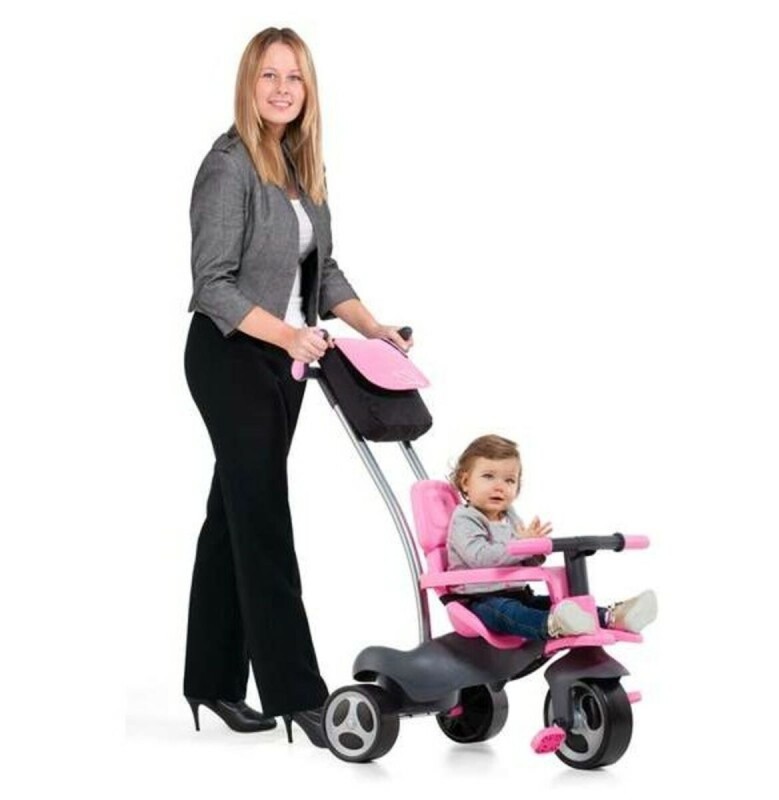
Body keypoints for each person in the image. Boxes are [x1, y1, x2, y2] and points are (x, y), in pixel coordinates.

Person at [183, 27, 412, 746]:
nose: (283, 89)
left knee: (234, 516)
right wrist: (288, 336)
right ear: (248, 85)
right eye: (269, 76)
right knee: (264, 521)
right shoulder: (228, 168)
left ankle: (211, 681)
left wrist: (374, 328)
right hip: (231, 358)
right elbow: (211, 286)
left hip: (289, 363)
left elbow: (325, 271)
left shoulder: (299, 165)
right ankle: (300, 695)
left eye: (295, 78)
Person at [446, 435, 657, 641]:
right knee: (508, 612)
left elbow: (519, 561)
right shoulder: (465, 518)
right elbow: (479, 558)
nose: (499, 486)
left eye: (509, 480)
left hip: (518, 593)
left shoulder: (509, 516)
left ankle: (612, 617)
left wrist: (534, 551)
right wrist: (520, 545)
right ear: (465, 482)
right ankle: (555, 625)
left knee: (560, 604)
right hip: (478, 600)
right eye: (488, 476)